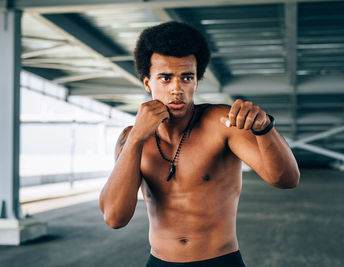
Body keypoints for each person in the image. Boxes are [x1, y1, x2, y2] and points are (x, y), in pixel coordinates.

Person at [99, 21, 300, 267]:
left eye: (186, 77)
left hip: (220, 260)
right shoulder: (130, 138)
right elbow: (114, 217)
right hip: (160, 261)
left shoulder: (221, 122)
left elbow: (287, 179)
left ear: (196, 82)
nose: (177, 89)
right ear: (147, 83)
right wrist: (137, 139)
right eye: (165, 78)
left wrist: (264, 128)